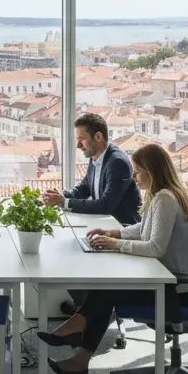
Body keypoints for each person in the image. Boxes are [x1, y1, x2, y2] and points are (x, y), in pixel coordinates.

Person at [41, 143, 188, 374]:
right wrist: (114, 233)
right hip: (169, 278)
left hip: (180, 288)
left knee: (106, 292)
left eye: (138, 171)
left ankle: (76, 335)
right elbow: (146, 229)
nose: (134, 177)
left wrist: (114, 244)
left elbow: (155, 247)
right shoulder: (162, 194)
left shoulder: (166, 199)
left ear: (152, 170)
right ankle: (79, 351)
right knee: (105, 291)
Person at [43, 112, 141, 313]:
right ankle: (86, 308)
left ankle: (90, 311)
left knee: (71, 256)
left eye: (82, 139)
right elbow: (84, 188)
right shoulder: (95, 157)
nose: (79, 146)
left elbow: (106, 205)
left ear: (98, 137)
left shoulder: (118, 162)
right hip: (102, 225)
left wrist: (65, 202)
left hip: (121, 229)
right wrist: (59, 197)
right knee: (64, 251)